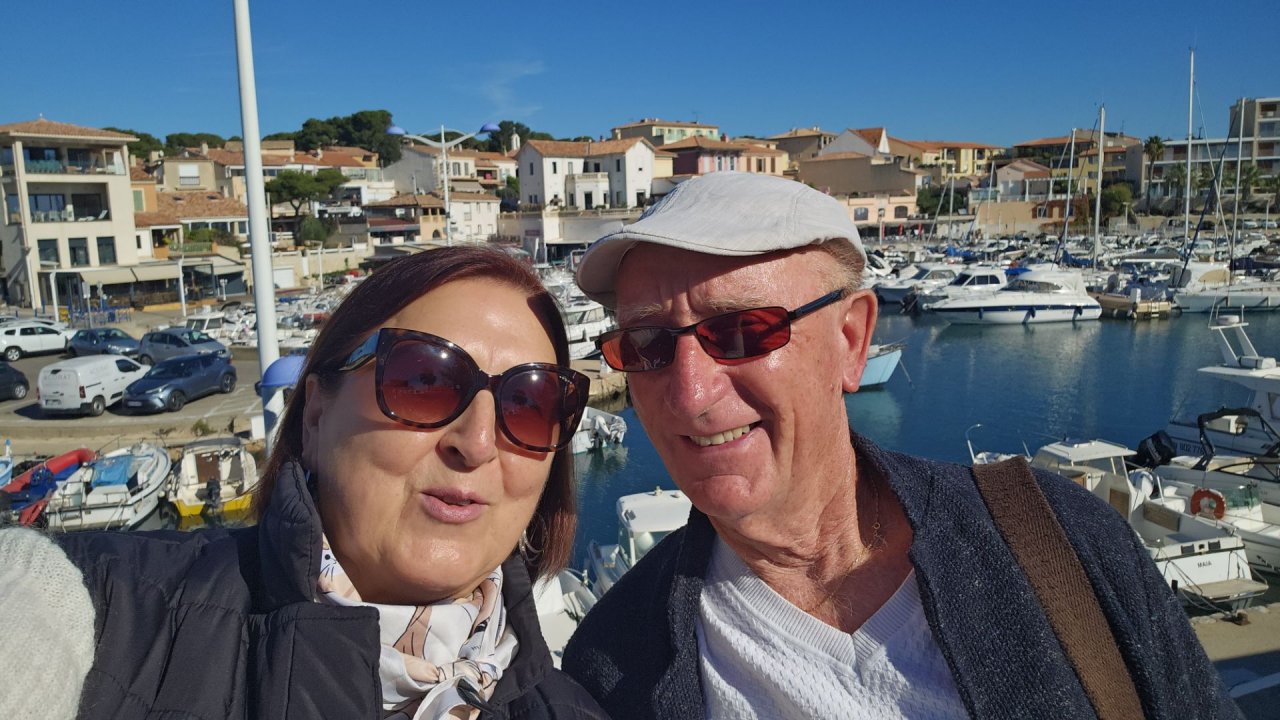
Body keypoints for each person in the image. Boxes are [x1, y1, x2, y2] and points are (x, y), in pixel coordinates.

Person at [563, 172, 1238, 719]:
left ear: (850, 341)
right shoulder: (613, 660)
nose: (689, 394)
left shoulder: (1058, 542)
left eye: (741, 331)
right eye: (646, 343)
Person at [0, 247, 608, 720]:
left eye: (530, 404)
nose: (476, 442)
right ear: (315, 414)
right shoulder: (99, 608)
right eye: (423, 380)